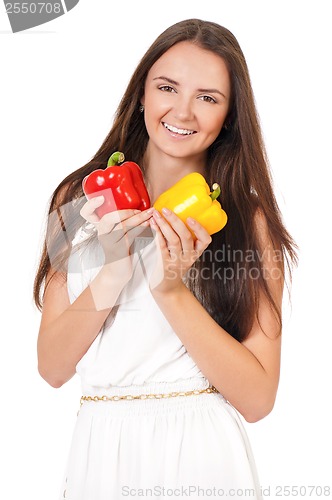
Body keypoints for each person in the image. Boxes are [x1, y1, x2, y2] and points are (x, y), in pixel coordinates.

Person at [34, 18, 297, 500]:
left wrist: (170, 288)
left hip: (203, 455)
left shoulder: (246, 219)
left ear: (230, 116)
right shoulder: (77, 199)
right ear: (141, 95)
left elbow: (258, 400)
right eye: (167, 87)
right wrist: (115, 269)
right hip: (100, 453)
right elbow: (51, 367)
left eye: (208, 97)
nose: (183, 111)